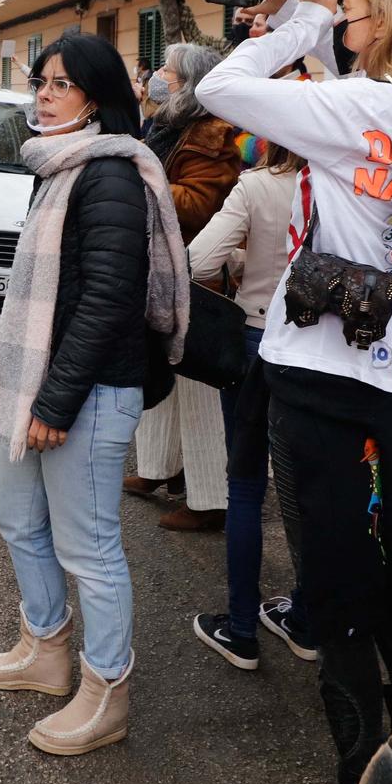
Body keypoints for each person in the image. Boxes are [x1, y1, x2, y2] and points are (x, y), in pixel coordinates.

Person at [196, 0, 392, 784]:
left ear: (383, 22)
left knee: (333, 579)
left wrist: (302, 22)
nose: (342, 19)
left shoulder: (358, 106)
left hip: (323, 370)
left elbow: (220, 85)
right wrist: (325, 35)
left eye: (352, 10)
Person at [0, 33, 190, 757]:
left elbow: (107, 300)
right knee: (15, 512)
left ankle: (107, 691)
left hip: (89, 391)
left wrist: (54, 403)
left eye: (59, 84)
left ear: (95, 98)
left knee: (90, 547)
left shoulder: (111, 176)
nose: (42, 92)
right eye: (41, 79)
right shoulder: (59, 163)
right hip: (47, 384)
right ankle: (46, 646)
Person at [186, 139, 318, 670]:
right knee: (308, 487)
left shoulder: (258, 186)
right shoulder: (344, 186)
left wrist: (246, 258)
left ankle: (241, 629)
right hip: (318, 350)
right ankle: (305, 621)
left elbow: (197, 262)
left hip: (258, 339)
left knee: (245, 485)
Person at [128, 42, 244, 531]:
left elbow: (198, 203)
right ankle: (156, 469)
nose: (159, 76)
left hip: (196, 275)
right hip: (163, 267)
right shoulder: (168, 122)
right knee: (158, 370)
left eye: (169, 72)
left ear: (191, 83)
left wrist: (141, 179)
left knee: (196, 383)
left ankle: (210, 500)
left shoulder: (214, 136)